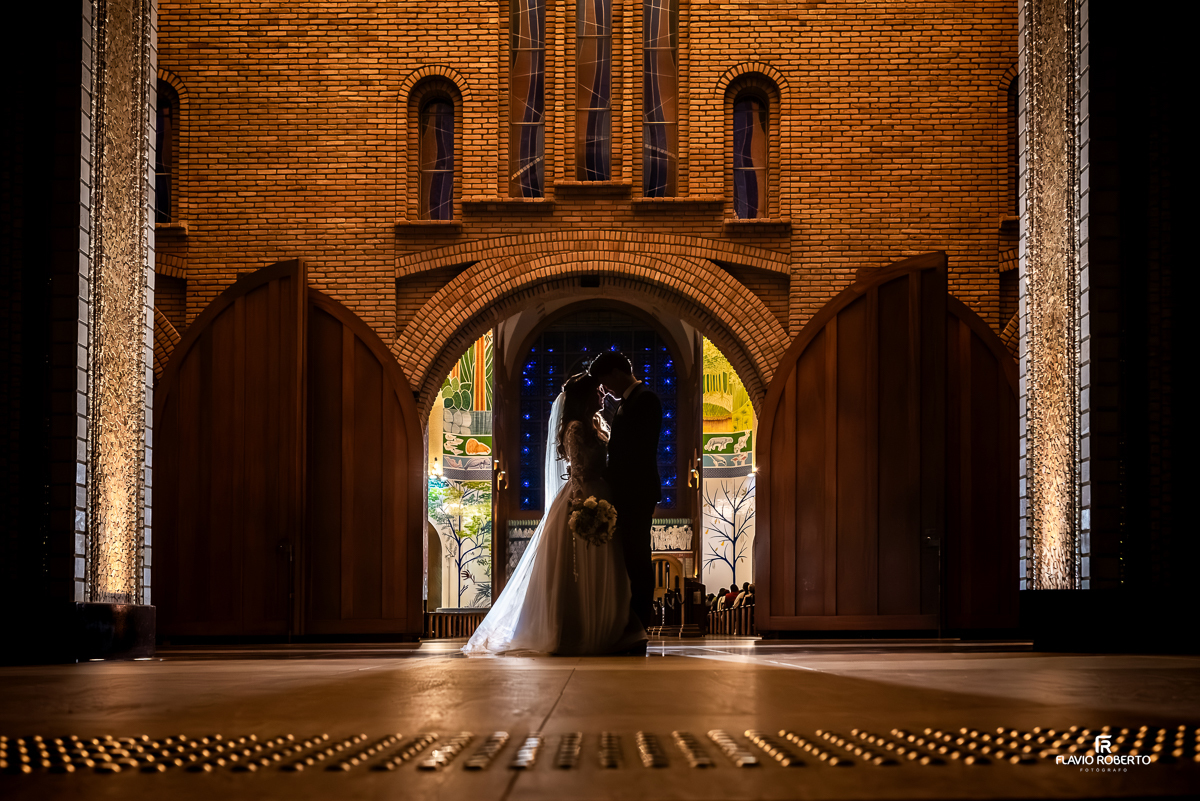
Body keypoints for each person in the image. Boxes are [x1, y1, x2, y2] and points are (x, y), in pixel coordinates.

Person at [463, 373, 646, 656]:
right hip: (584, 496)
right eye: (597, 392)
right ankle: (573, 629)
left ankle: (605, 624)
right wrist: (583, 505)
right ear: (584, 396)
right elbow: (578, 471)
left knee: (606, 563)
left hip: (602, 493)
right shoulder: (574, 428)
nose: (603, 396)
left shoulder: (595, 424)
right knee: (574, 565)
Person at [589, 351, 662, 650]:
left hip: (636, 492)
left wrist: (603, 474)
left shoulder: (645, 399)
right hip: (625, 492)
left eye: (605, 381)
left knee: (637, 559)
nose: (604, 389)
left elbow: (637, 453)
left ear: (617, 372)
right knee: (629, 558)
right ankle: (629, 625)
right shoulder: (627, 403)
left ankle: (640, 629)